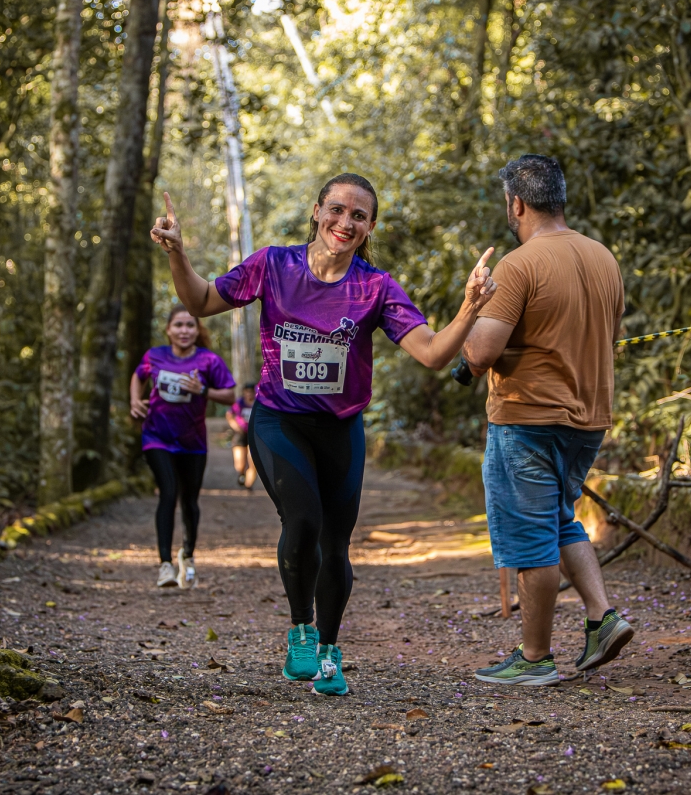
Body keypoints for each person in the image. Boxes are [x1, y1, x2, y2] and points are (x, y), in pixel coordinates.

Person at [150, 174, 496, 696]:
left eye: (358, 216)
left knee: (336, 544)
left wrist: (470, 305)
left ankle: (330, 651)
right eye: (336, 209)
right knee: (303, 519)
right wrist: (178, 252)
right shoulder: (273, 265)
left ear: (370, 227)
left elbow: (431, 353)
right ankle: (301, 632)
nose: (345, 222)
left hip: (340, 428)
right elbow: (199, 301)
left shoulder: (376, 287)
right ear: (317, 212)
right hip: (279, 420)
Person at [461, 154, 632, 685]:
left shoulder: (519, 265)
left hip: (528, 418)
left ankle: (534, 658)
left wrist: (470, 323)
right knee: (559, 520)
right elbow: (611, 334)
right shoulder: (603, 257)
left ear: (516, 203)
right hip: (588, 417)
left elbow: (481, 352)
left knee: (530, 536)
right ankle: (602, 618)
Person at [130, 305, 236, 589]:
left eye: (190, 325)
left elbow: (229, 395)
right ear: (168, 330)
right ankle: (165, 565)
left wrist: (202, 390)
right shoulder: (155, 356)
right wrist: (135, 400)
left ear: (197, 330)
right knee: (168, 492)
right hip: (156, 437)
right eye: (178, 325)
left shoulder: (209, 360)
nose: (184, 330)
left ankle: (187, 556)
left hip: (192, 443)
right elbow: (138, 375)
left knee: (189, 500)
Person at [226, 383, 258, 489]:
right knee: (240, 463)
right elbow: (229, 415)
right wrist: (235, 426)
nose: (249, 394)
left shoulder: (259, 403)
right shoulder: (239, 403)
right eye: (247, 392)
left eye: (251, 392)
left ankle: (249, 484)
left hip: (254, 435)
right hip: (240, 434)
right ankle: (241, 473)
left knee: (253, 462)